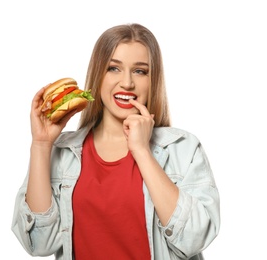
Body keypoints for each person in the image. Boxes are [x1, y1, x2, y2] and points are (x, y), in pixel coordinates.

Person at [12, 23, 220, 260]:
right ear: (97, 75)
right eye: (113, 68)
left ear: (154, 80)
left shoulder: (183, 149)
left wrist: (142, 150)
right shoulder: (62, 152)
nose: (127, 83)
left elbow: (195, 238)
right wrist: (41, 145)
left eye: (140, 71)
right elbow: (39, 244)